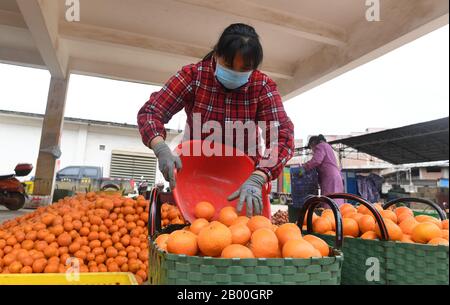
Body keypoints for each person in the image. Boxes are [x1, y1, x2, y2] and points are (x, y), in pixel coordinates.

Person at [137, 23, 294, 217]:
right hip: (194, 178)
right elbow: (151, 112)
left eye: (244, 68)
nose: (235, 73)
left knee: (243, 236)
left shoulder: (262, 86)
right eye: (228, 65)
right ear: (216, 54)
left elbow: (283, 136)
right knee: (193, 233)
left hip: (243, 182)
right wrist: (160, 148)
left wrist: (260, 176)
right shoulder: (193, 76)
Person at [299, 135, 344, 205]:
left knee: (329, 200)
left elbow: (316, 161)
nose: (313, 151)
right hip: (336, 176)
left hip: (330, 177)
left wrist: (304, 167)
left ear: (313, 143)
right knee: (336, 199)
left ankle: (329, 215)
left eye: (311, 148)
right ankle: (337, 215)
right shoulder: (328, 146)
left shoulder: (321, 146)